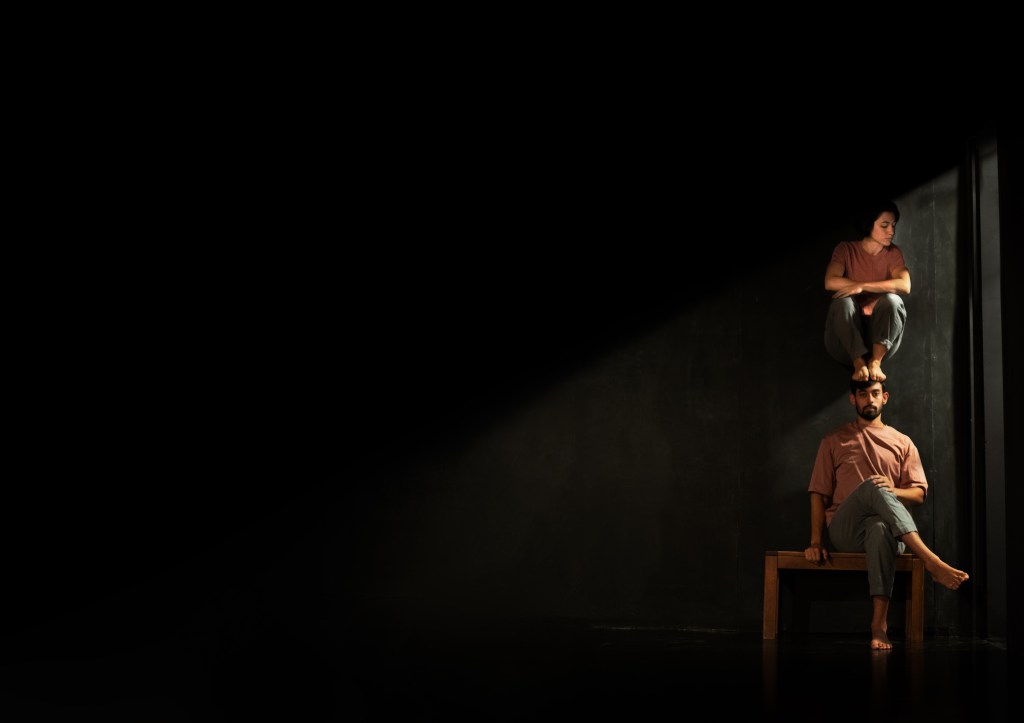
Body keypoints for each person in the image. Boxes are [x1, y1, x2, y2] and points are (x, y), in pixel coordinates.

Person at [804, 379, 969, 649]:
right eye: (863, 394)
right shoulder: (833, 440)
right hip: (846, 530)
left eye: (875, 394)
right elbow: (818, 494)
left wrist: (892, 490)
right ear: (853, 399)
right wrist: (815, 541)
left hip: (890, 533)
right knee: (873, 485)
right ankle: (931, 561)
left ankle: (879, 626)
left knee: (880, 527)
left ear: (885, 398)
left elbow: (919, 494)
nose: (869, 399)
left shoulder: (903, 442)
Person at [823, 199, 909, 382]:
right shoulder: (845, 249)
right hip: (844, 338)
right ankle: (858, 362)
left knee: (893, 300)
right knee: (843, 302)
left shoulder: (893, 253)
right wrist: (858, 286)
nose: (891, 231)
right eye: (884, 225)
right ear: (869, 225)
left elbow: (904, 285)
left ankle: (875, 362)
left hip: (881, 338)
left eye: (893, 225)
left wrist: (862, 286)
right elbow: (830, 282)